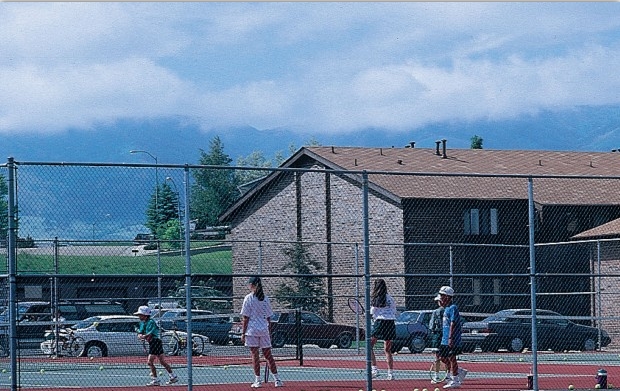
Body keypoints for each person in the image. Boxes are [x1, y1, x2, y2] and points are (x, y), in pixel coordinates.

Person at [241, 276, 283, 388]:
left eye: (250, 284)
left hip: (252, 331)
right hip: (263, 330)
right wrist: (268, 331)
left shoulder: (248, 298)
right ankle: (277, 380)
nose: (248, 286)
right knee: (268, 355)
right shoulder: (266, 299)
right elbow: (269, 318)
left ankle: (257, 381)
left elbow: (246, 318)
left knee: (255, 356)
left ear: (253, 285)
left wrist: (243, 333)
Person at [135, 305, 178, 386]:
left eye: (140, 314)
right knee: (162, 361)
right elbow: (141, 331)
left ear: (145, 315)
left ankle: (155, 380)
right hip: (153, 342)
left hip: (155, 342)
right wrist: (140, 335)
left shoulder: (151, 322)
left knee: (149, 362)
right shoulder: (143, 323)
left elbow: (150, 334)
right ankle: (173, 376)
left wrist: (143, 336)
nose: (139, 316)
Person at [437, 286, 467, 389]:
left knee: (452, 358)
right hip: (444, 339)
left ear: (447, 297)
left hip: (452, 338)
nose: (440, 297)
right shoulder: (446, 309)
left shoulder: (453, 308)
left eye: (442, 295)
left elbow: (452, 324)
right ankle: (458, 371)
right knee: (443, 358)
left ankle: (455, 380)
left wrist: (450, 338)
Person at [369, 278, 397, 380]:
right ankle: (390, 374)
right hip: (390, 323)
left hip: (380, 322)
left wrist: (369, 315)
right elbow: (394, 310)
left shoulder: (376, 298)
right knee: (387, 350)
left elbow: (371, 312)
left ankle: (374, 370)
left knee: (369, 346)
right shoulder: (390, 298)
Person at [429, 294, 445, 384]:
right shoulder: (449, 310)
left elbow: (431, 325)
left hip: (438, 335)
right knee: (447, 356)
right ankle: (448, 375)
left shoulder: (436, 312)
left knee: (437, 356)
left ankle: (436, 375)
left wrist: (432, 331)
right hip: (444, 335)